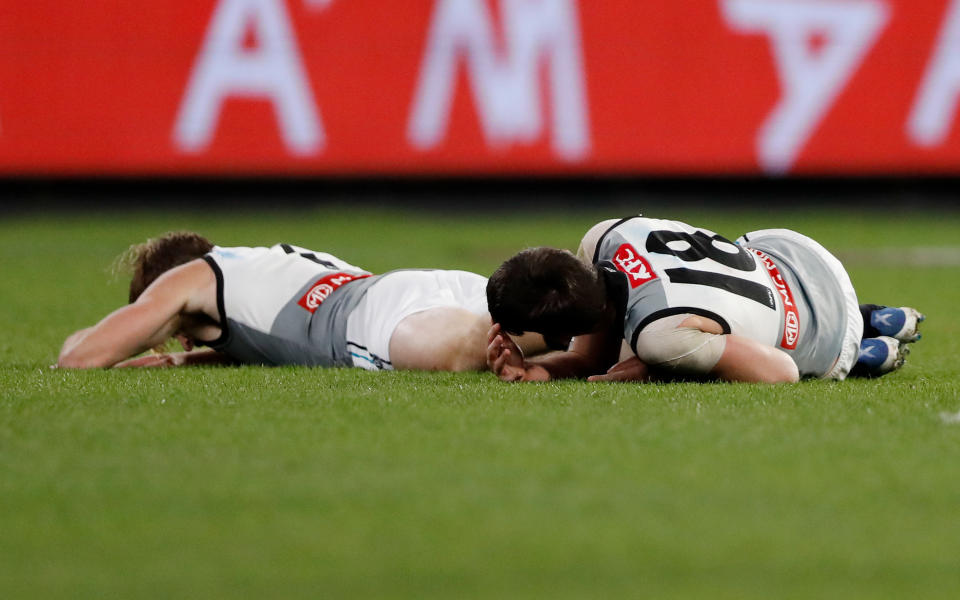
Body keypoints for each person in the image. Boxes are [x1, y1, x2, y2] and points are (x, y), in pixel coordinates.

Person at [485, 216, 924, 384]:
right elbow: (591, 360)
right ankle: (876, 317)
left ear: (560, 332)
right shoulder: (604, 236)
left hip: (823, 340)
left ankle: (863, 355)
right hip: (795, 254)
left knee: (702, 345)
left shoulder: (659, 336)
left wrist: (658, 370)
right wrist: (539, 370)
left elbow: (782, 372)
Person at [58, 232, 543, 371]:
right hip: (416, 287)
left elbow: (79, 357)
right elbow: (265, 337)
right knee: (565, 318)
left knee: (468, 351)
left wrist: (139, 325)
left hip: (375, 325)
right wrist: (186, 359)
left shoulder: (191, 277)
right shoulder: (255, 261)